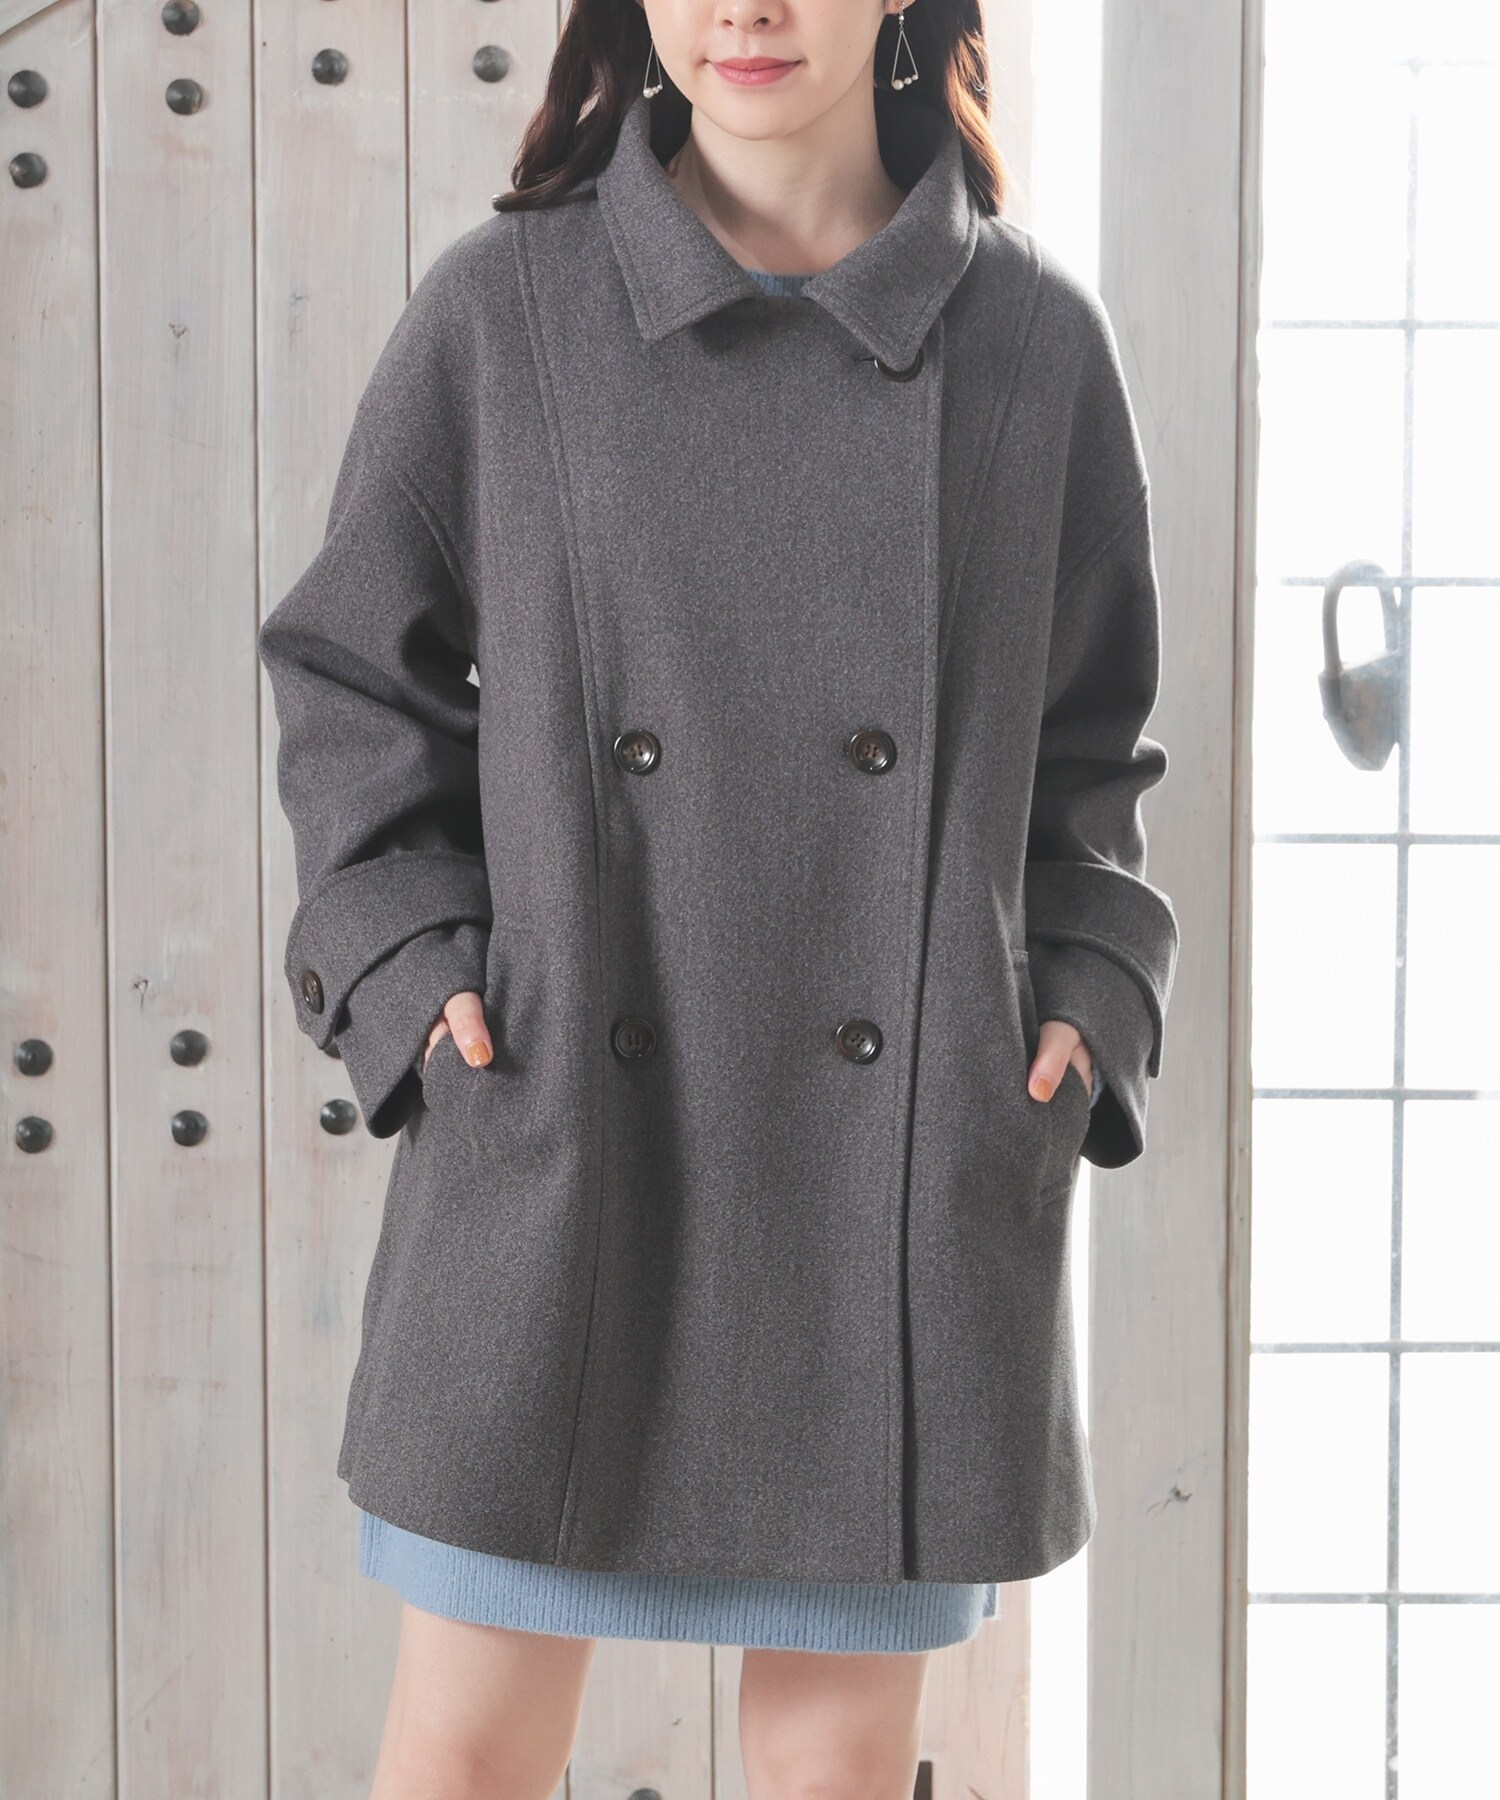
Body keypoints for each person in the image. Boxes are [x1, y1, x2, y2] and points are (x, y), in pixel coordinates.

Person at [258, 0, 1178, 1791]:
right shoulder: (506, 311)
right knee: (461, 1764)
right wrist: (411, 968)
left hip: (886, 1191)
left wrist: (1081, 996)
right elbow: (350, 673)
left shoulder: (1032, 341)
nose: (743, 8)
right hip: (562, 1155)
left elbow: (1091, 745)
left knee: (833, 1778)